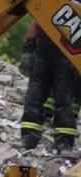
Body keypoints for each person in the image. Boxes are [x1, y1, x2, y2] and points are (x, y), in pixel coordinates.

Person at [20, 25, 77, 153]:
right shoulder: (50, 4)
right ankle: (28, 137)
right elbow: (36, 22)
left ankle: (64, 143)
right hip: (43, 56)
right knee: (33, 97)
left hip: (67, 59)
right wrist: (28, 49)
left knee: (64, 102)